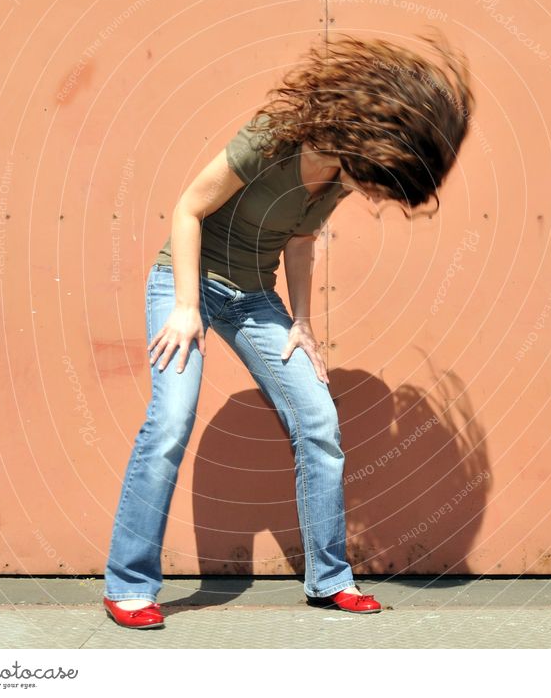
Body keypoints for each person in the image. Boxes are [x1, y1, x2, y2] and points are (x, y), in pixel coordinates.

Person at [102, 31, 473, 628]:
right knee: (170, 421)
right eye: (382, 185)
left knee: (320, 423)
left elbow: (299, 245)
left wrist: (300, 322)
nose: (375, 198)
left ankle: (330, 580)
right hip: (187, 283)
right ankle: (128, 585)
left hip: (254, 299)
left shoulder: (339, 179)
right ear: (370, 143)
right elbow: (188, 209)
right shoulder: (270, 140)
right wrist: (187, 307)